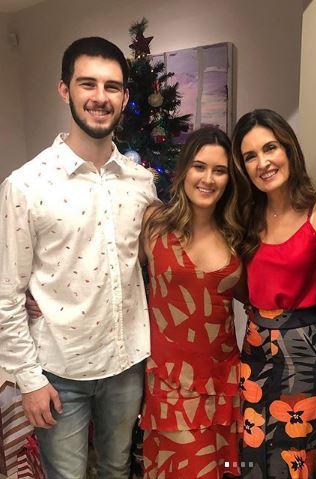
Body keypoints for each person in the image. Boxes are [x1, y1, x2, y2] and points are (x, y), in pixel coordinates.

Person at [0, 37, 158, 478]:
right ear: (64, 90)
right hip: (59, 371)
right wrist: (28, 379)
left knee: (117, 469)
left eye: (112, 86)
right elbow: (7, 294)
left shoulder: (142, 183)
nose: (100, 97)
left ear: (124, 96)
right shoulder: (26, 185)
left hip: (126, 364)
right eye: (87, 83)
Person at [231, 109, 316, 478]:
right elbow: (242, 287)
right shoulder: (244, 216)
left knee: (301, 449)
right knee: (254, 443)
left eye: (270, 148)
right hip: (256, 346)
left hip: (309, 349)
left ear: (288, 148)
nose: (263, 163)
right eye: (250, 156)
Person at [138, 127, 249, 478]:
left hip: (223, 380)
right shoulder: (153, 223)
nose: (208, 179)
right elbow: (113, 274)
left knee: (223, 468)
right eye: (199, 167)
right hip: (169, 380)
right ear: (184, 169)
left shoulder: (237, 235)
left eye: (220, 170)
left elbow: (258, 295)